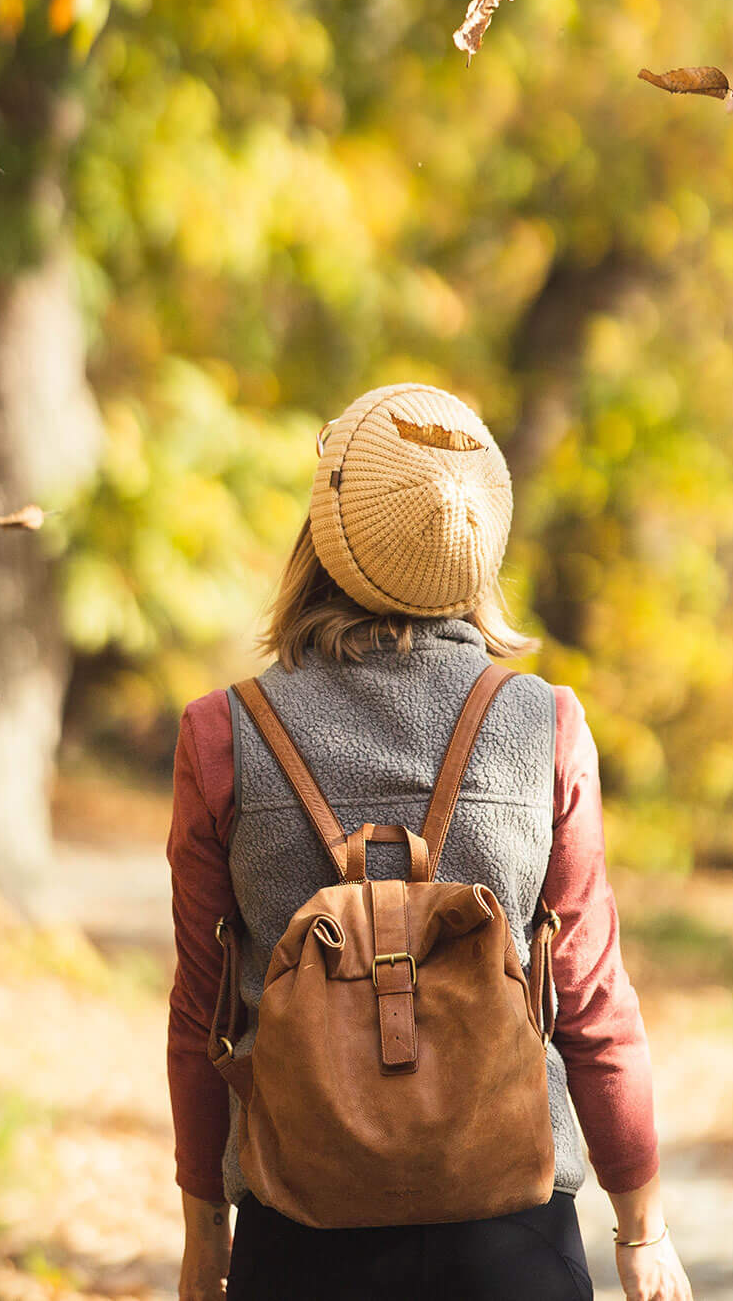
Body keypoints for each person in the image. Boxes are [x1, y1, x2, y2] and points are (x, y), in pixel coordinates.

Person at [166, 381, 692, 1301]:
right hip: (512, 1234)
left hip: (298, 1237)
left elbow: (201, 1012)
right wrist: (640, 1226)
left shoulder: (224, 735)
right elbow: (592, 994)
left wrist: (205, 1224)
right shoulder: (545, 727)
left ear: (322, 538)